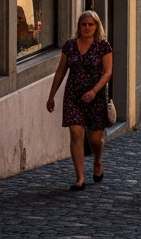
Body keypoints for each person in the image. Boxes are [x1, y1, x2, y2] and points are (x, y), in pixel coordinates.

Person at [46, 11, 114, 190]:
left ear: (96, 27)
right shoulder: (69, 46)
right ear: (79, 26)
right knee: (76, 132)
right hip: (73, 95)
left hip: (95, 96)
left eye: (91, 24)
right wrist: (51, 95)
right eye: (84, 24)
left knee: (95, 139)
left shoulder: (103, 46)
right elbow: (61, 71)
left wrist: (93, 91)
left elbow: (107, 72)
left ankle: (97, 162)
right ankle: (80, 178)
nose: (87, 28)